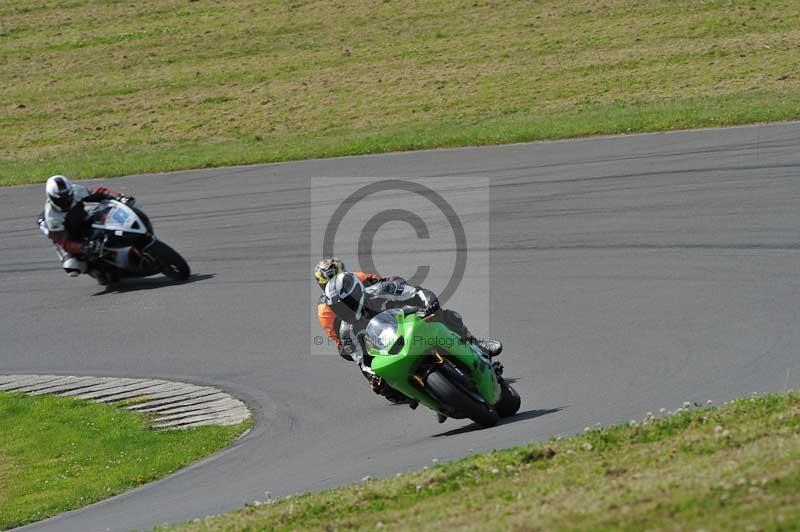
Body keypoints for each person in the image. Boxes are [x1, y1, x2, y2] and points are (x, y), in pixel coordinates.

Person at [325, 272, 501, 408]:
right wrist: (373, 377)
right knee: (384, 388)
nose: (344, 308)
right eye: (338, 307)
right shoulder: (346, 331)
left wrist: (429, 302)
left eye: (346, 302)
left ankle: (476, 344)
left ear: (356, 291)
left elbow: (417, 292)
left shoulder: (381, 290)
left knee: (448, 316)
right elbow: (362, 361)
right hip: (391, 349)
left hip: (415, 324)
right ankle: (424, 397)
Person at [38, 175, 133, 284]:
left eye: (67, 196)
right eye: (61, 199)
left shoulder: (75, 190)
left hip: (84, 220)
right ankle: (94, 271)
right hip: (69, 236)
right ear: (51, 197)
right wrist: (84, 247)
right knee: (72, 267)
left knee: (107, 213)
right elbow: (65, 243)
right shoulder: (52, 217)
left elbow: (97, 193)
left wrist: (118, 197)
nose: (66, 201)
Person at [314, 257, 379, 355]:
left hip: (376, 314)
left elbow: (381, 282)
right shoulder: (325, 310)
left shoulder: (358, 277)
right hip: (355, 335)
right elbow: (341, 338)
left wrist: (394, 282)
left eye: (342, 280)